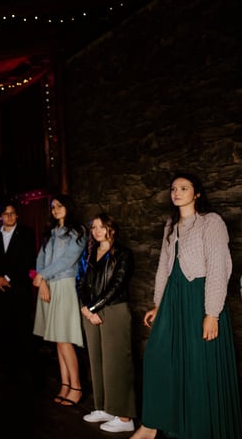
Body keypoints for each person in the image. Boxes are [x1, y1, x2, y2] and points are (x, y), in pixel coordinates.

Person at [131, 173, 242, 439]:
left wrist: (212, 313)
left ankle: (197, 429)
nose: (177, 192)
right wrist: (159, 305)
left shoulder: (210, 222)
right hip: (174, 298)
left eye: (184, 188)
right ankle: (150, 426)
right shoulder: (171, 225)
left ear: (197, 193)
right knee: (156, 356)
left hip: (199, 299)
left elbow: (218, 267)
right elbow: (163, 268)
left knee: (197, 364)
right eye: (173, 189)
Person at [77, 213, 137, 433]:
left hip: (114, 309)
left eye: (102, 226)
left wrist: (93, 308)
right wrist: (86, 308)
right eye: (93, 227)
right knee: (97, 360)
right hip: (90, 312)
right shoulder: (88, 253)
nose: (97, 231)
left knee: (116, 363)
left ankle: (124, 418)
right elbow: (80, 281)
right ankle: (104, 408)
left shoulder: (123, 254)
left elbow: (117, 285)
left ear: (111, 228)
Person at [32, 193, 86, 406]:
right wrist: (42, 281)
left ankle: (76, 387)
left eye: (59, 206)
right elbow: (40, 258)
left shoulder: (78, 231)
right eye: (53, 207)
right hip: (49, 286)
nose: (55, 210)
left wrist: (42, 276)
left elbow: (68, 260)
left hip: (64, 284)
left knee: (64, 339)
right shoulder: (50, 232)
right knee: (57, 339)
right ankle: (65, 385)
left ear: (68, 207)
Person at [0, 201, 36, 369]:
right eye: (6, 214)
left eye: (12, 213)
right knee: (3, 327)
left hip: (19, 288)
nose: (9, 216)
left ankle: (24, 365)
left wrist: (7, 277)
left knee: (21, 327)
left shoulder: (26, 233)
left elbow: (28, 259)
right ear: (0, 217)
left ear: (17, 215)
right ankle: (7, 365)